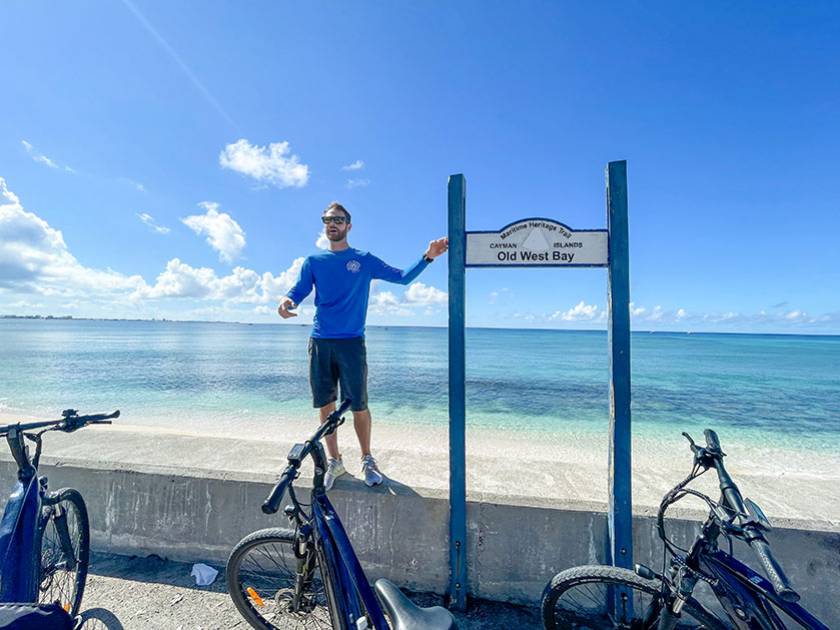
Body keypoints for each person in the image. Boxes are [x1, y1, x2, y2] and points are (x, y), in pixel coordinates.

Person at [278, 202, 448, 490]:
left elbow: (402, 278)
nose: (333, 224)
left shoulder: (364, 260)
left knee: (359, 405)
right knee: (326, 406)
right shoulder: (313, 262)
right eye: (328, 219)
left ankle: (367, 458)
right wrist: (287, 301)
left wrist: (428, 257)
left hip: (352, 344)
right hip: (320, 342)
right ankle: (335, 460)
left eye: (339, 220)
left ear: (349, 226)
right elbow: (300, 290)